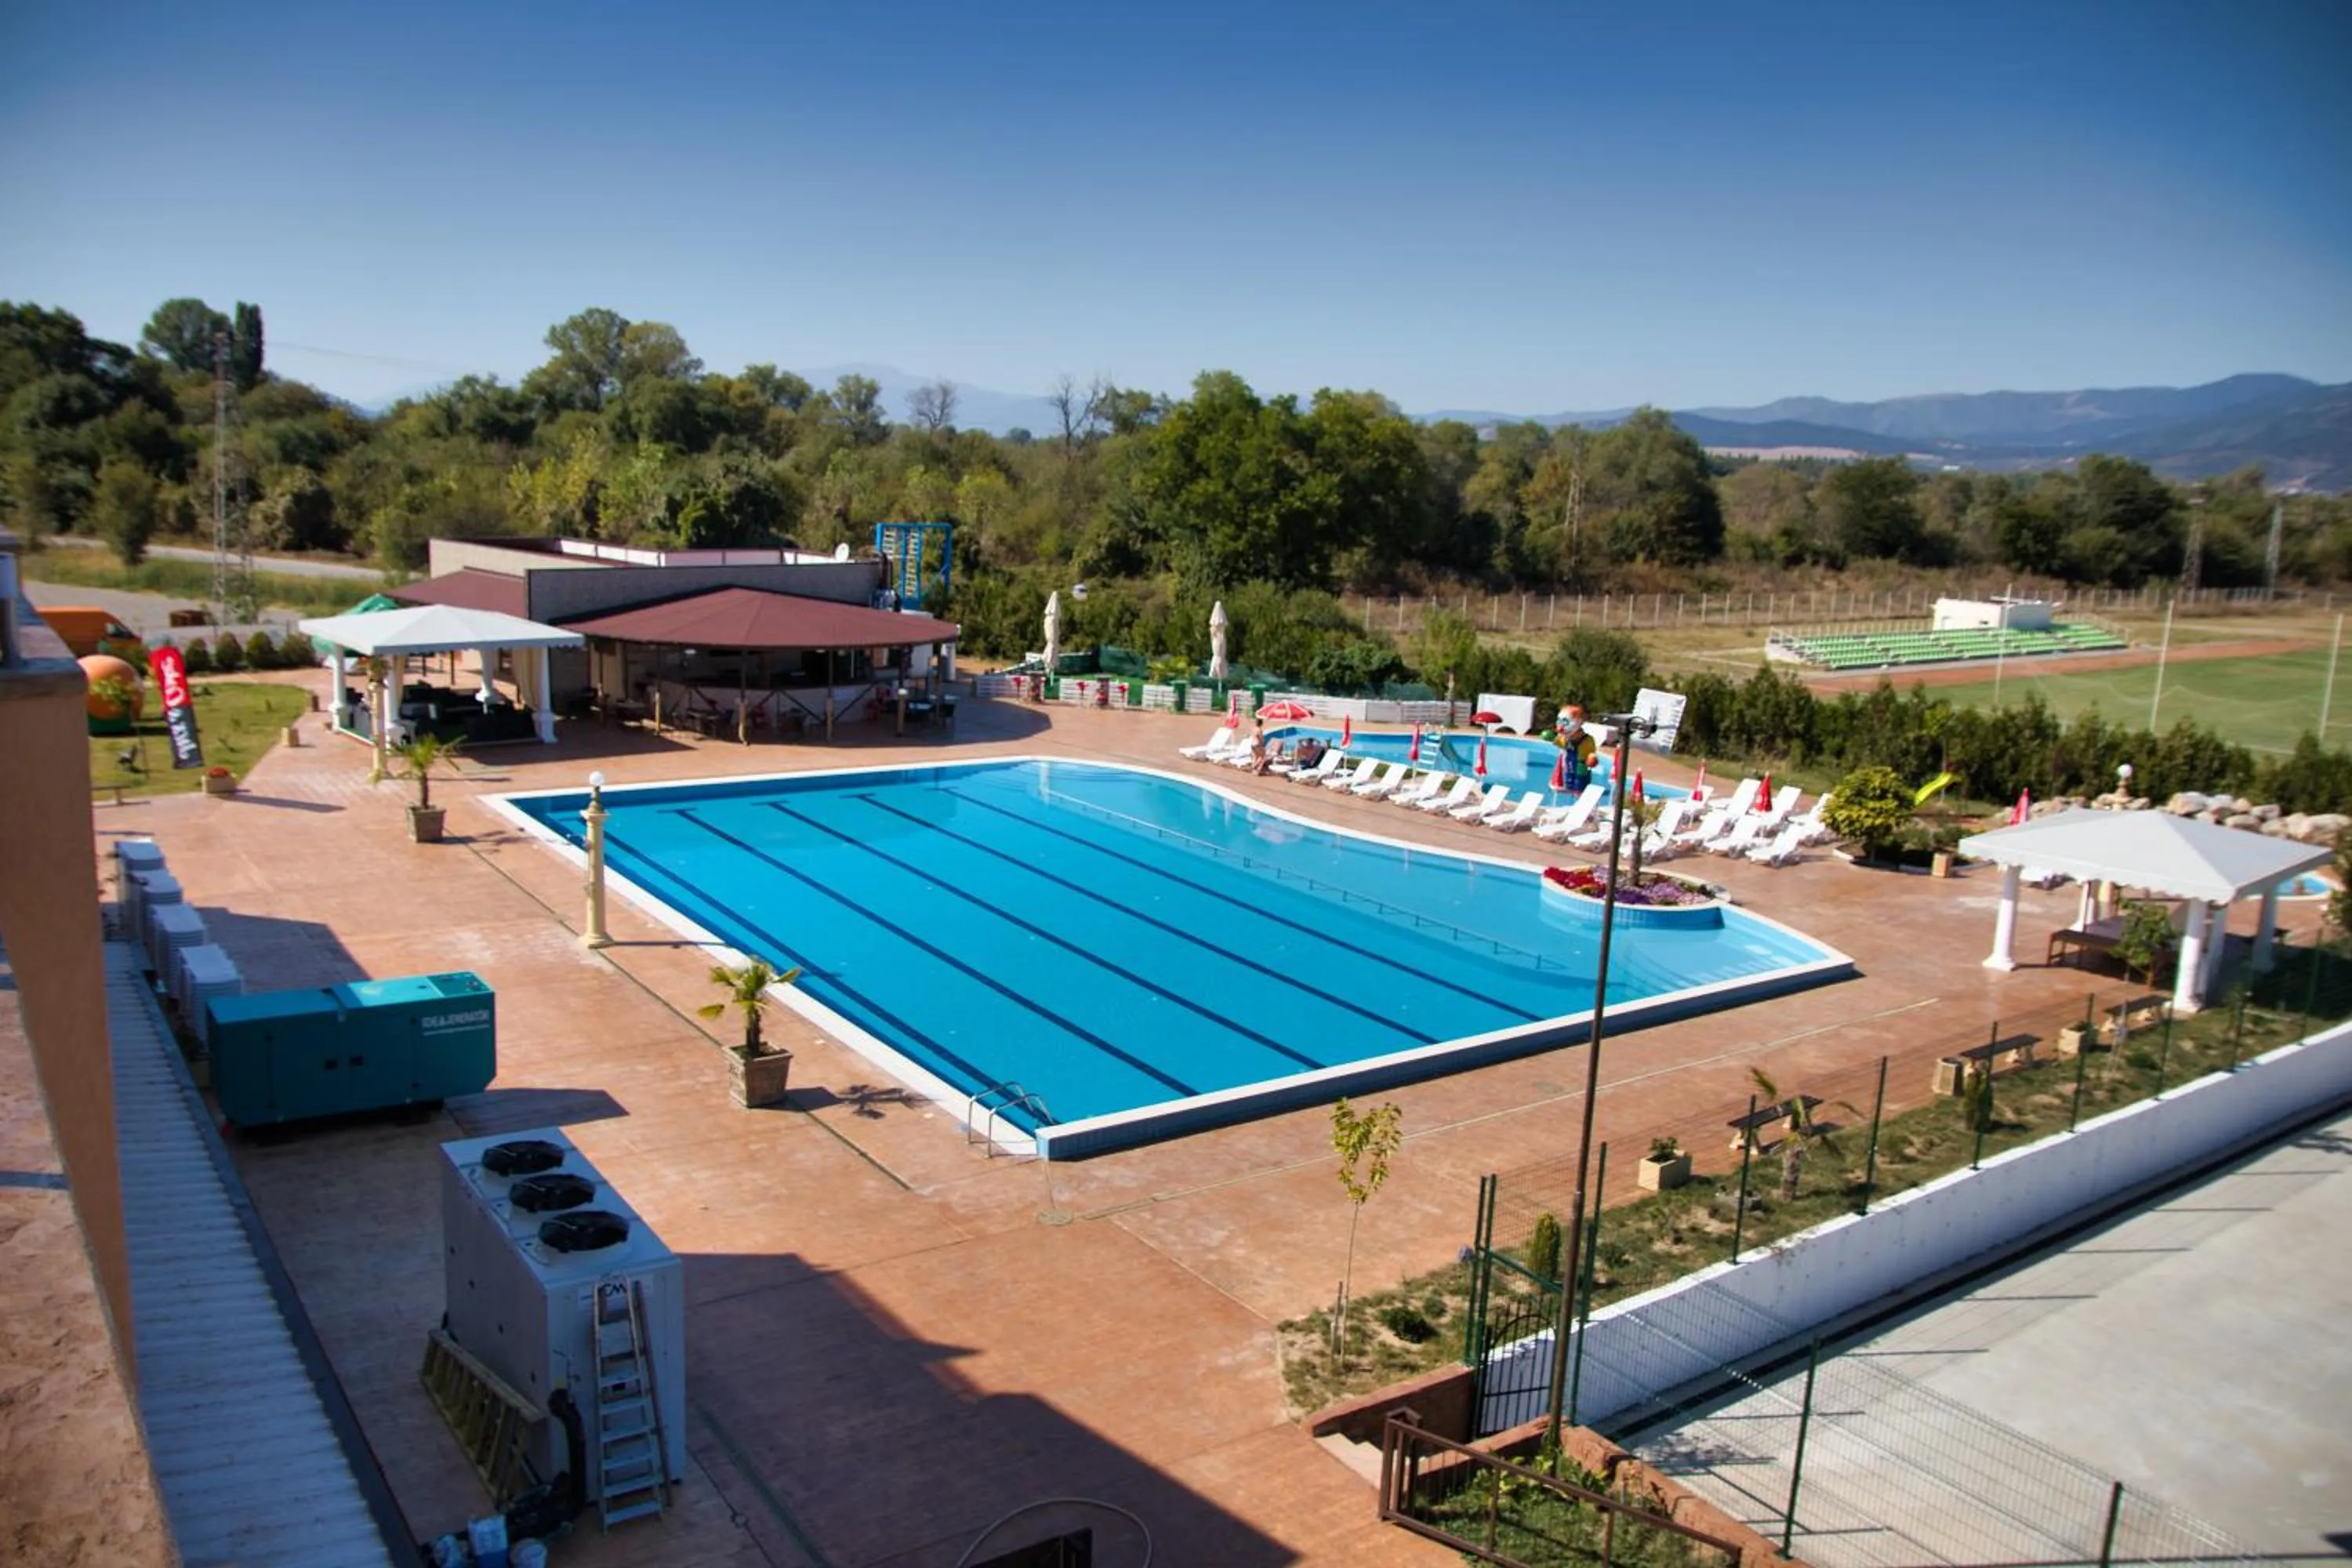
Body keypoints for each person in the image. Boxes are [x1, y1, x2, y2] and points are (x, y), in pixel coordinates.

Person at [1556, 705, 1599, 792]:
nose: (1560, 727)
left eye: (1565, 722)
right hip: (1569, 763)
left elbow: (1591, 751)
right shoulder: (1565, 738)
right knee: (1569, 782)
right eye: (1559, 721)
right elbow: (1558, 742)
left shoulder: (1587, 739)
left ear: (1579, 722)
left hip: (1581, 765)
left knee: (1580, 783)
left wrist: (1592, 757)